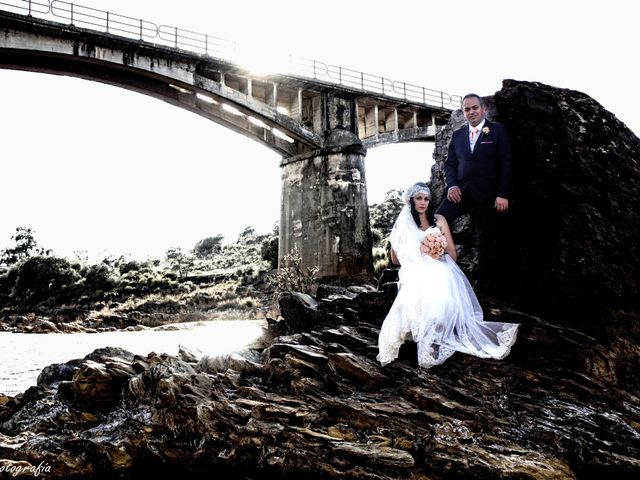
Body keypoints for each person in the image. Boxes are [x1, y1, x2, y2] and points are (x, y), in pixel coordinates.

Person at [377, 182, 518, 368]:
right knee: (415, 288)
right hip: (414, 270)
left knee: (440, 295)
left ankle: (434, 338)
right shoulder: (402, 224)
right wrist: (401, 244)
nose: (423, 202)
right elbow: (395, 261)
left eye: (426, 199)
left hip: (439, 266)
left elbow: (452, 252)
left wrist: (436, 253)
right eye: (418, 198)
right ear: (411, 200)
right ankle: (422, 335)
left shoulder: (439, 220)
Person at [436, 93, 513, 289]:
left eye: (474, 108)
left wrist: (502, 194)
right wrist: (451, 185)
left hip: (487, 193)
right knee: (438, 219)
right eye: (467, 109)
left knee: (484, 235)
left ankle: (482, 281)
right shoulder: (458, 135)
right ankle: (440, 270)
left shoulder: (497, 132)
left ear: (483, 109)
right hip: (459, 191)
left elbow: (506, 164)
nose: (471, 112)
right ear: (463, 112)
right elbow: (450, 164)